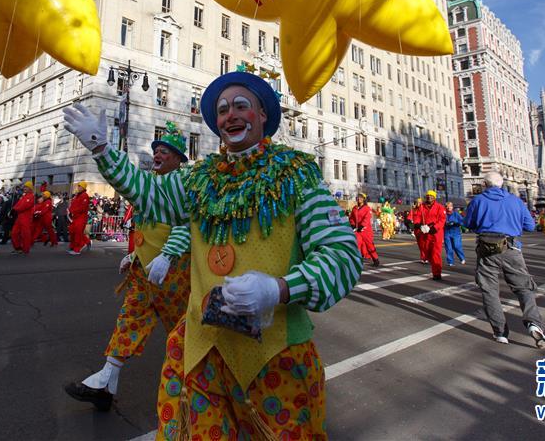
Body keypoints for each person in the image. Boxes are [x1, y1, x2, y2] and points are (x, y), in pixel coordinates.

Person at [64, 71, 361, 439]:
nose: (230, 116)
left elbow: (343, 254)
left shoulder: (296, 175)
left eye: (241, 106)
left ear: (263, 114)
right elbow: (148, 194)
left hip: (275, 359)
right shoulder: (198, 179)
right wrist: (102, 150)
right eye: (222, 110)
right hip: (201, 352)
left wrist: (279, 289)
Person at [65, 121, 192, 412]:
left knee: (184, 329)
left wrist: (169, 254)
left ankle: (199, 386)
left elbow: (187, 223)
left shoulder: (183, 184)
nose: (158, 155)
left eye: (165, 151)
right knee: (128, 321)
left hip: (174, 277)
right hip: (144, 273)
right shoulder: (152, 182)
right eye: (156, 150)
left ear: (178, 159)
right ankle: (106, 383)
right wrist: (134, 256)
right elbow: (146, 226)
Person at [463, 171, 545, 348]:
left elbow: (468, 224)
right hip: (512, 247)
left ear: (484, 185)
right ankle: (534, 323)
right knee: (524, 288)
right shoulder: (515, 201)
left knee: (489, 290)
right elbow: (530, 226)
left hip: (487, 249)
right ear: (501, 184)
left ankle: (500, 332)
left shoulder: (478, 201)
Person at [413, 190, 447, 280]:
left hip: (436, 234)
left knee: (435, 253)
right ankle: (434, 266)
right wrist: (419, 225)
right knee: (427, 252)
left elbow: (442, 220)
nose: (429, 197)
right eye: (427, 196)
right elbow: (417, 217)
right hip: (425, 233)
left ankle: (437, 273)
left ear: (434, 197)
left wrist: (434, 228)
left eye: (431, 196)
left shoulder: (440, 207)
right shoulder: (422, 207)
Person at [350, 193, 380, 267]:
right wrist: (352, 224)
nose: (359, 199)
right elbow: (351, 217)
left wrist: (362, 225)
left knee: (370, 246)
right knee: (356, 244)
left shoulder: (367, 208)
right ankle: (357, 260)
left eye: (361, 197)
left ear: (364, 199)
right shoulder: (354, 208)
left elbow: (367, 218)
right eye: (358, 197)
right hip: (357, 230)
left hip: (366, 230)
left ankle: (375, 259)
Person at [10, 182, 36, 255]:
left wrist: (15, 209)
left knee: (25, 234)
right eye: (24, 187)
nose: (24, 188)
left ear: (30, 188)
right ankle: (18, 247)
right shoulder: (24, 196)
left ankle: (25, 249)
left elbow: (24, 206)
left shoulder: (31, 196)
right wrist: (13, 209)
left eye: (26, 187)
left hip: (26, 218)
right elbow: (18, 204)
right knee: (14, 233)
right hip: (20, 217)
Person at [67, 182, 91, 255]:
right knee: (72, 231)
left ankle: (77, 248)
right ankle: (84, 242)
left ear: (83, 188)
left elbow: (82, 208)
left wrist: (72, 211)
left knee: (78, 232)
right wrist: (69, 210)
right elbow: (73, 205)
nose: (78, 188)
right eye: (78, 186)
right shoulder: (77, 195)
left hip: (81, 217)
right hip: (75, 217)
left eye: (80, 187)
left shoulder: (85, 196)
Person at [443, 201, 466, 266]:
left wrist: (456, 223)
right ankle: (450, 262)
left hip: (456, 232)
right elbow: (441, 222)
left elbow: (462, 221)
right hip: (447, 232)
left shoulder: (456, 214)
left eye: (450, 206)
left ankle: (462, 258)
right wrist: (446, 223)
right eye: (447, 206)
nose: (448, 207)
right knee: (449, 248)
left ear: (452, 207)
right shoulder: (444, 214)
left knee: (457, 246)